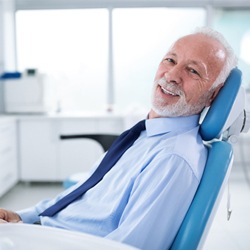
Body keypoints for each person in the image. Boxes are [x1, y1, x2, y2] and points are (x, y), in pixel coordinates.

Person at [0, 27, 237, 250]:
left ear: (213, 95)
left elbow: (127, 247)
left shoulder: (173, 158)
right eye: (170, 60)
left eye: (193, 71)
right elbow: (86, 193)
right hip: (45, 231)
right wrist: (24, 217)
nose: (172, 75)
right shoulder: (145, 134)